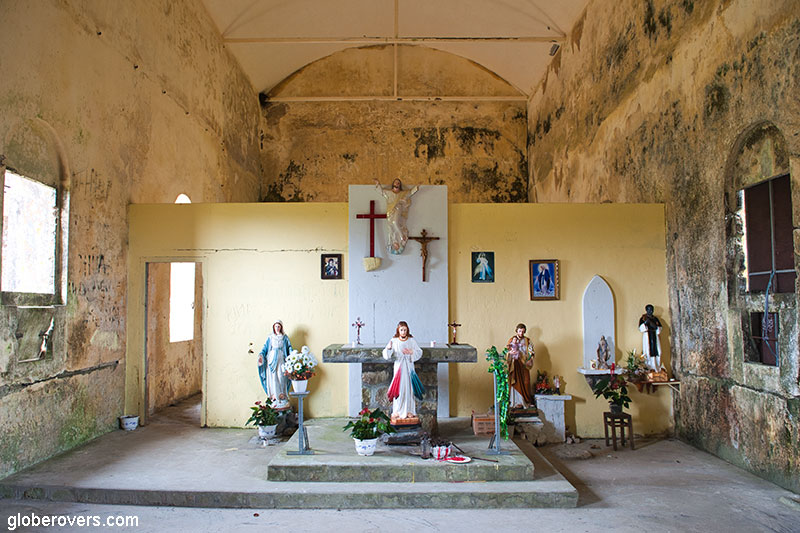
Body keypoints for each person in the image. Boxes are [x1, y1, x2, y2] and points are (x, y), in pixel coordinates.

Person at [382, 320, 424, 422]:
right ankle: (398, 410)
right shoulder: (394, 340)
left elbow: (419, 352)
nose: (403, 332)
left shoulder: (411, 341)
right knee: (399, 389)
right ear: (398, 330)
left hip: (409, 368)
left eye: (405, 330)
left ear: (407, 330)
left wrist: (411, 352)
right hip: (399, 369)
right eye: (401, 330)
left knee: (409, 389)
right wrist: (388, 348)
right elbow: (386, 354)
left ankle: (409, 410)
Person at [375, 178, 419, 255]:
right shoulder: (388, 193)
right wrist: (377, 184)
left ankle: (402, 236)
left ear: (400, 185)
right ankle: (394, 241)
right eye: (396, 183)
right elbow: (381, 192)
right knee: (391, 228)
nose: (397, 184)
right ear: (393, 184)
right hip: (390, 212)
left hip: (398, 208)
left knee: (395, 222)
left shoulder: (402, 193)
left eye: (398, 183)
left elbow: (410, 192)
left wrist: (417, 186)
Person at [258, 320, 292, 409]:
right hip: (272, 360)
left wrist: (292, 355)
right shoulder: (270, 337)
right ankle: (275, 398)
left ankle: (282, 396)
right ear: (273, 327)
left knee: (281, 377)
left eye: (279, 326)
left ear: (281, 327)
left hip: (281, 359)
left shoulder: (284, 337)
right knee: (273, 378)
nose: (277, 328)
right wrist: (261, 355)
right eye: (276, 326)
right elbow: (265, 348)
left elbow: (289, 347)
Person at [506, 323, 535, 408]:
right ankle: (515, 402)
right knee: (515, 381)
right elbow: (507, 351)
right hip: (515, 364)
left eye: (523, 331)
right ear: (516, 331)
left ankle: (525, 401)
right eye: (519, 331)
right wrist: (510, 353)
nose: (521, 333)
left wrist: (530, 357)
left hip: (524, 364)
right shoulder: (512, 340)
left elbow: (531, 351)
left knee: (526, 382)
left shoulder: (527, 340)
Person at [639, 304, 663, 371]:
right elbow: (641, 328)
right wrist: (646, 322)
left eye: (652, 309)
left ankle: (657, 367)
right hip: (647, 335)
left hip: (654, 335)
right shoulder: (643, 318)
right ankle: (649, 368)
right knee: (648, 351)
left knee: (658, 351)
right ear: (646, 310)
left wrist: (655, 326)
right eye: (649, 309)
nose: (651, 311)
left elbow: (659, 327)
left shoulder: (655, 319)